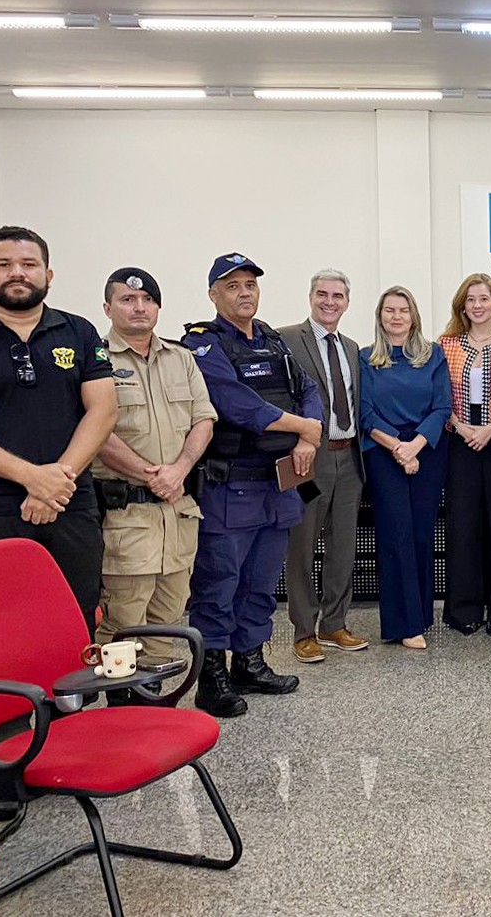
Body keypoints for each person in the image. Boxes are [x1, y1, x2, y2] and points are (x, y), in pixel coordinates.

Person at [0, 226, 116, 626]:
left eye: (29, 264)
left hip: (71, 502)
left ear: (48, 275)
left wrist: (55, 484)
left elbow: (103, 412)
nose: (17, 272)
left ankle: (70, 694)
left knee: (74, 618)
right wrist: (32, 478)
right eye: (4, 264)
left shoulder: (78, 331)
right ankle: (4, 693)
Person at [183, 253, 321, 718]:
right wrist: (303, 427)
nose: (245, 292)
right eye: (233, 285)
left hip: (277, 487)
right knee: (219, 583)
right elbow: (236, 404)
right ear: (214, 295)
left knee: (261, 583)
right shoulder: (203, 345)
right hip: (230, 489)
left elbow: (310, 390)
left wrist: (309, 431)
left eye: (250, 284)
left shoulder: (273, 341)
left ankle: (249, 661)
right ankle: (212, 677)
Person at [91, 267, 216, 675]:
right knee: (123, 622)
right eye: (127, 300)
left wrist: (179, 470)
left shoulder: (181, 359)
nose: (139, 307)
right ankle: (121, 705)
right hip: (128, 518)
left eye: (147, 300)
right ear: (108, 308)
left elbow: (204, 419)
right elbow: (97, 432)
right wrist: (151, 475)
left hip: (178, 513)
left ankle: (154, 706)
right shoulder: (94, 361)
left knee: (168, 621)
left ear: (158, 307)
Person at [278, 269, 369, 664]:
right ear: (310, 297)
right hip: (308, 460)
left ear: (347, 302)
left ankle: (334, 622)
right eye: (322, 294)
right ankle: (303, 630)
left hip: (349, 458)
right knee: (302, 544)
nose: (330, 302)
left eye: (338, 296)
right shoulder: (285, 339)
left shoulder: (352, 347)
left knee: (343, 544)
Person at [358, 286, 452, 651]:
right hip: (383, 451)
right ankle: (404, 624)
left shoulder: (433, 356)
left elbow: (442, 407)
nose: (396, 317)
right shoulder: (366, 358)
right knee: (395, 535)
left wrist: (415, 446)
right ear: (380, 317)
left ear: (414, 316)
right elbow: (365, 412)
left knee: (421, 535)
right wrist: (397, 446)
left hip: (427, 450)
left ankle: (421, 616)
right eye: (389, 311)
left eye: (403, 310)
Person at [439, 274, 491, 636]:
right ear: (462, 306)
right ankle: (464, 610)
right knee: (463, 527)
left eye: (484, 299)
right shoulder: (446, 345)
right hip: (460, 443)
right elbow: (438, 396)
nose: (478, 306)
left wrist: (490, 428)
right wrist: (461, 426)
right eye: (471, 300)